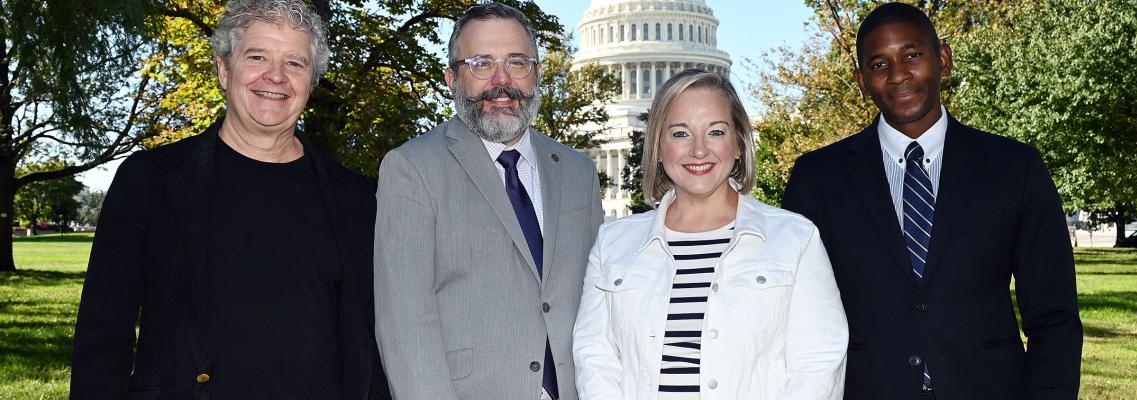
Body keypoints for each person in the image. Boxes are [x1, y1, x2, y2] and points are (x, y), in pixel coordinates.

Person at [70, 0, 390, 398]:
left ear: (312, 81)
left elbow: (374, 341)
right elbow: (103, 334)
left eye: (295, 63)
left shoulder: (358, 197)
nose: (276, 77)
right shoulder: (151, 180)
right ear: (224, 69)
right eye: (257, 56)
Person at [782, 3, 1083, 399]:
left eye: (912, 55)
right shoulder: (817, 178)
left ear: (943, 58)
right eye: (878, 65)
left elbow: (1055, 317)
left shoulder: (1014, 167)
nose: (899, 76)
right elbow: (793, 320)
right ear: (860, 80)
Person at [372, 3, 604, 400]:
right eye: (481, 64)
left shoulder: (579, 172)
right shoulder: (411, 168)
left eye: (517, 62)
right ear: (451, 78)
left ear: (537, 74)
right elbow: (405, 322)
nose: (502, 81)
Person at [573, 69, 849, 400]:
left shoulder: (795, 239)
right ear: (659, 148)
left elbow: (818, 366)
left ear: (739, 144)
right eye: (680, 134)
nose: (699, 150)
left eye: (715, 132)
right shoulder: (613, 244)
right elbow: (595, 360)